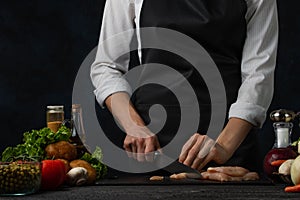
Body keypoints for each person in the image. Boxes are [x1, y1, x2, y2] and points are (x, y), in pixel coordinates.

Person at [90, 0, 278, 172]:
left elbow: (258, 75)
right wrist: (134, 126)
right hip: (152, 149)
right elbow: (106, 67)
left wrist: (224, 146)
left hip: (230, 144)